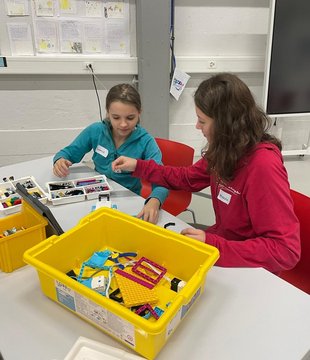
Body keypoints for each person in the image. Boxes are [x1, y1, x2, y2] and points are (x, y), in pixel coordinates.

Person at [112, 73, 301, 273]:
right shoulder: (226, 148)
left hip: (250, 266)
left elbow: (285, 250)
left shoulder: (263, 166)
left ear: (226, 124)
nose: (197, 126)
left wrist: (215, 245)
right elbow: (187, 178)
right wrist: (139, 166)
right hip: (224, 246)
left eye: (202, 121)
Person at [53, 83, 168, 224]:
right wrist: (60, 160)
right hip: (95, 195)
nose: (123, 124)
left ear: (139, 113)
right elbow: (68, 152)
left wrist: (154, 200)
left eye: (130, 118)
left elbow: (162, 179)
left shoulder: (146, 142)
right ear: (107, 113)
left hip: (129, 200)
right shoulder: (95, 131)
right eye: (116, 117)